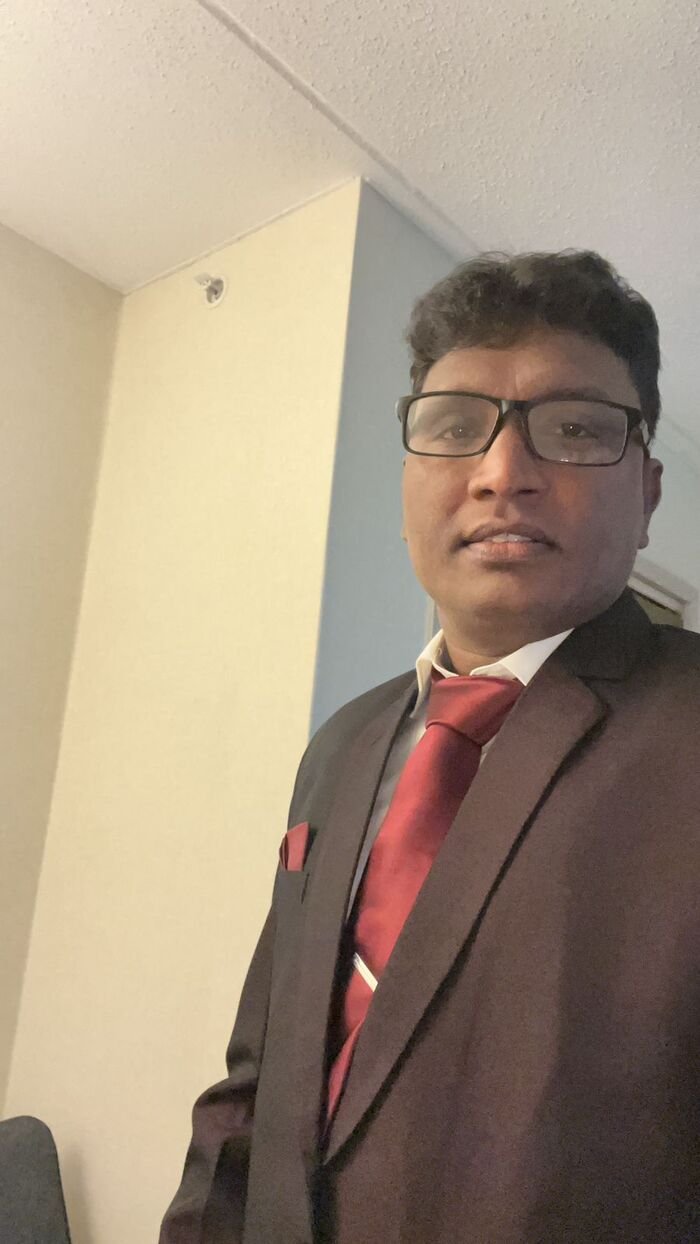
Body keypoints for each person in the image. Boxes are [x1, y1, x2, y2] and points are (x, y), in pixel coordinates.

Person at [159, 250, 700, 1244]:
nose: (502, 473)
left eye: (575, 429)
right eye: (454, 428)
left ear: (649, 490)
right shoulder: (341, 744)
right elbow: (260, 1077)